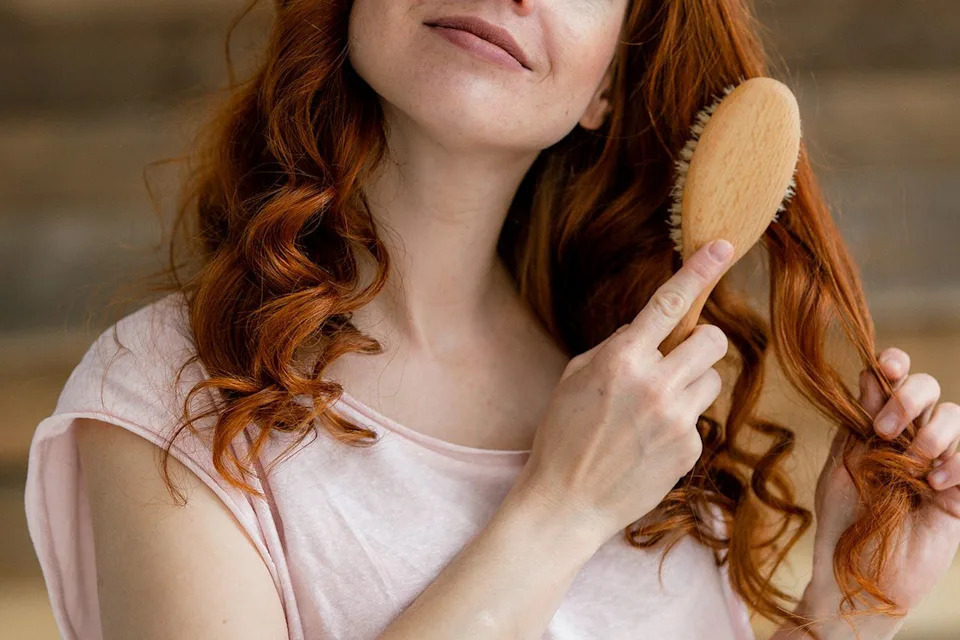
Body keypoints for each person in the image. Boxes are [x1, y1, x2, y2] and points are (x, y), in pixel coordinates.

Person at [24, 1, 960, 639]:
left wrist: (846, 613)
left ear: (604, 87)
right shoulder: (173, 390)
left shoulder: (648, 422)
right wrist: (559, 513)